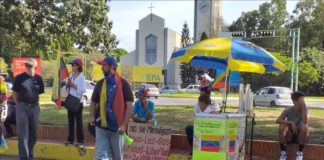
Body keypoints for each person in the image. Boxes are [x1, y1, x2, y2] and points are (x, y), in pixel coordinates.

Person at [89, 56, 134, 160]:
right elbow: (93, 101)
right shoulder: (100, 83)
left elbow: (129, 105)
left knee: (117, 157)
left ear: (112, 67)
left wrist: (123, 125)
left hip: (117, 128)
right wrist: (91, 116)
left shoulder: (123, 84)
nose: (102, 68)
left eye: (104, 65)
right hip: (101, 126)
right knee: (101, 156)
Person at [12, 58, 44, 160]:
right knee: (23, 134)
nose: (28, 68)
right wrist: (18, 105)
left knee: (33, 135)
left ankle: (29, 154)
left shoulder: (39, 79)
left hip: (34, 108)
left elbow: (38, 93)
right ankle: (24, 157)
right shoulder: (19, 78)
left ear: (35, 67)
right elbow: (14, 93)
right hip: (22, 107)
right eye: (27, 66)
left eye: (30, 66)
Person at [276, 91, 308, 160]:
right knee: (282, 126)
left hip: (300, 136)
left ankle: (299, 152)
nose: (303, 103)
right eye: (301, 101)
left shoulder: (305, 109)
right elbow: (278, 120)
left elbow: (305, 122)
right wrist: (291, 122)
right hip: (289, 135)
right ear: (294, 102)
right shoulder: (288, 109)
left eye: (303, 100)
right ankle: (283, 152)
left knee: (305, 127)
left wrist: (304, 108)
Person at [63, 58, 86, 147]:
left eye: (74, 65)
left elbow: (83, 90)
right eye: (72, 65)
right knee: (70, 121)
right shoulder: (70, 76)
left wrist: (74, 85)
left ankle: (80, 141)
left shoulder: (82, 78)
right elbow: (66, 89)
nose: (72, 66)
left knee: (79, 122)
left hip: (78, 102)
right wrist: (67, 85)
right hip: (70, 101)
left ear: (78, 66)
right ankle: (70, 139)